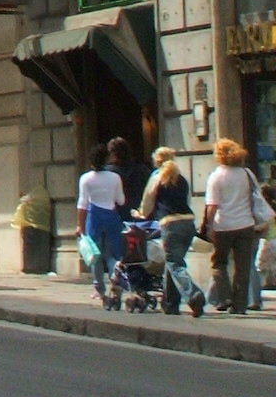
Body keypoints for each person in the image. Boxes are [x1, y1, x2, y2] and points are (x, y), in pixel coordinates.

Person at [203, 136, 274, 314]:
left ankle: (225, 296)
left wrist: (207, 226)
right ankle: (240, 305)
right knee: (243, 267)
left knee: (219, 263)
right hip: (245, 226)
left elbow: (212, 206)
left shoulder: (216, 176)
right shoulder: (246, 173)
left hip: (223, 226)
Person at [138, 147, 207, 317]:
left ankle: (193, 294)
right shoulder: (181, 178)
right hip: (188, 222)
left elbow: (148, 203)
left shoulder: (157, 176)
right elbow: (187, 199)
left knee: (174, 263)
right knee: (172, 261)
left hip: (170, 224)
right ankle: (170, 303)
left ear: (157, 161)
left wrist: (140, 214)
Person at [75, 142, 126, 304]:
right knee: (112, 253)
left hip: (94, 217)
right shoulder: (115, 177)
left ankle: (98, 288)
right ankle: (115, 277)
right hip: (112, 216)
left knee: (94, 254)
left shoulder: (86, 179)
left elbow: (82, 204)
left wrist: (80, 225)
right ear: (106, 159)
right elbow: (121, 200)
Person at [107, 136, 151, 213]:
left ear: (112, 153)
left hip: (115, 215)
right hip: (139, 213)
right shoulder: (142, 169)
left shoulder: (107, 172)